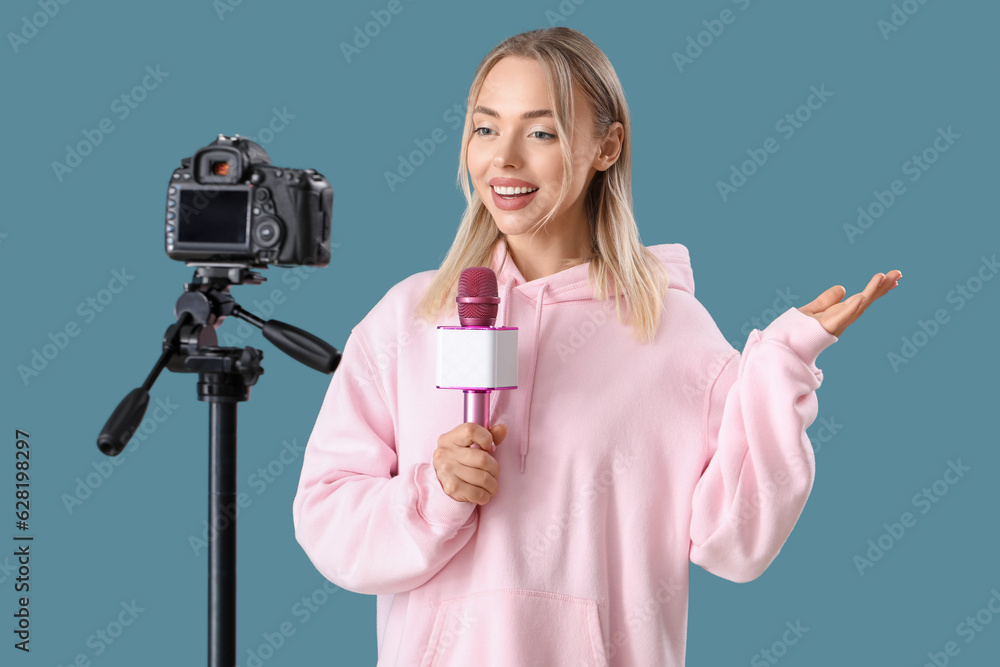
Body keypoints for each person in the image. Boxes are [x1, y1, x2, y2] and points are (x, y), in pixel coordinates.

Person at [292, 26, 900, 666]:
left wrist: (782, 367)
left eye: (542, 132)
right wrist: (432, 495)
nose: (504, 160)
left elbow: (739, 541)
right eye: (485, 128)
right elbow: (326, 515)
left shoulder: (673, 332)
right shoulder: (409, 318)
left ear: (607, 147)